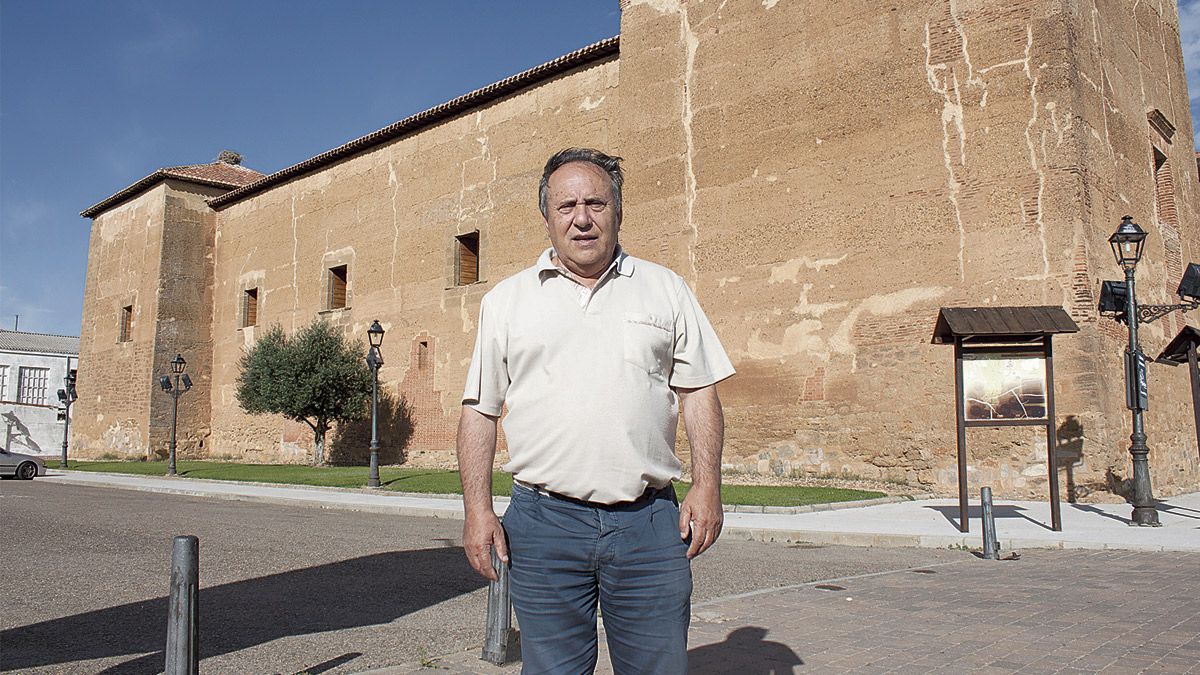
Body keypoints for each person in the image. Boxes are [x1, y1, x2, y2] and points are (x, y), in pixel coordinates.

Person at [457, 147, 735, 674]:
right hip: (543, 524)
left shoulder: (665, 289)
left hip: (650, 524)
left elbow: (698, 391)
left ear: (618, 211)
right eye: (566, 206)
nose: (581, 219)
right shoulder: (506, 301)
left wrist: (708, 484)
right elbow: (480, 411)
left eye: (595, 203)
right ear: (546, 217)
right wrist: (478, 511)